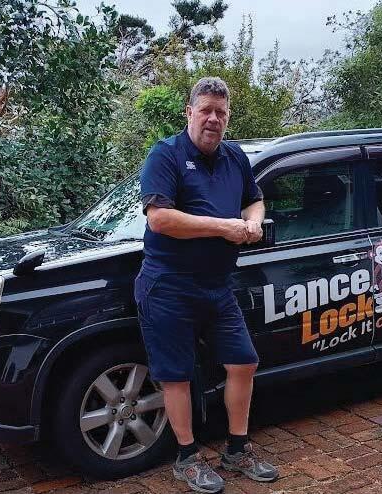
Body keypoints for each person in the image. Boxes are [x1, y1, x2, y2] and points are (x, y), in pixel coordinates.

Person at [134, 76, 279, 493]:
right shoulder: (166, 154)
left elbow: (254, 198)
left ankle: (237, 450)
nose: (213, 118)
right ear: (189, 113)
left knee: (244, 362)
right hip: (168, 284)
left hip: (218, 285)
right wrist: (225, 227)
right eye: (206, 110)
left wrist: (252, 221)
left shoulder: (235, 157)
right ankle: (187, 458)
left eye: (221, 112)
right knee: (176, 375)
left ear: (227, 117)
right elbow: (160, 218)